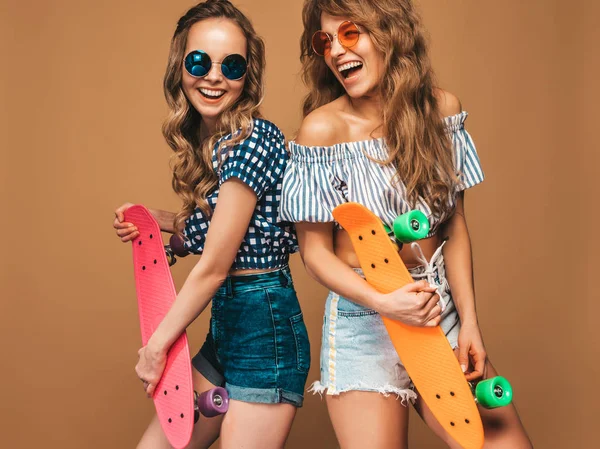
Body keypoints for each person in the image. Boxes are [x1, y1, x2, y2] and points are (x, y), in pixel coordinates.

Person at [279, 0, 533, 447]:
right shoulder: (322, 131)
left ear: (389, 32)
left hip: (439, 307)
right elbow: (314, 253)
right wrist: (386, 303)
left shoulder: (441, 111)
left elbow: (453, 228)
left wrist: (470, 322)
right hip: (363, 319)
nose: (337, 51)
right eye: (325, 40)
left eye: (350, 33)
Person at [113, 1, 309, 448]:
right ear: (179, 66)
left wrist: (158, 346)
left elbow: (217, 264)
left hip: (266, 330)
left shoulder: (254, 140)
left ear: (248, 75)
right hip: (229, 322)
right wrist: (153, 222)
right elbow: (224, 227)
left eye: (232, 65)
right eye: (199, 61)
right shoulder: (213, 141)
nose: (214, 77)